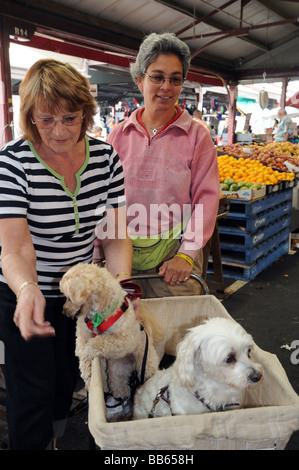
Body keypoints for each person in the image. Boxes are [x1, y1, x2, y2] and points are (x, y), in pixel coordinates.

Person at [0, 59, 132, 450]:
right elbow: (17, 246)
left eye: (70, 118)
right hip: (24, 294)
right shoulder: (13, 162)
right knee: (30, 393)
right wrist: (27, 289)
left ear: (86, 113)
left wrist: (120, 290)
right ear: (29, 118)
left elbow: (114, 237)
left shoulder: (106, 160)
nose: (59, 131)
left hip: (78, 297)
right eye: (46, 121)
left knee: (66, 381)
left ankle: (54, 442)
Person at [107, 32, 219, 298]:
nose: (166, 87)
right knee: (121, 334)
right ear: (140, 80)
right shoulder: (118, 135)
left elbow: (207, 199)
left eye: (175, 79)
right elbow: (105, 198)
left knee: (175, 335)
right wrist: (100, 251)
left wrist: (187, 254)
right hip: (120, 255)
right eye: (157, 77)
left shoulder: (197, 137)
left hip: (172, 259)